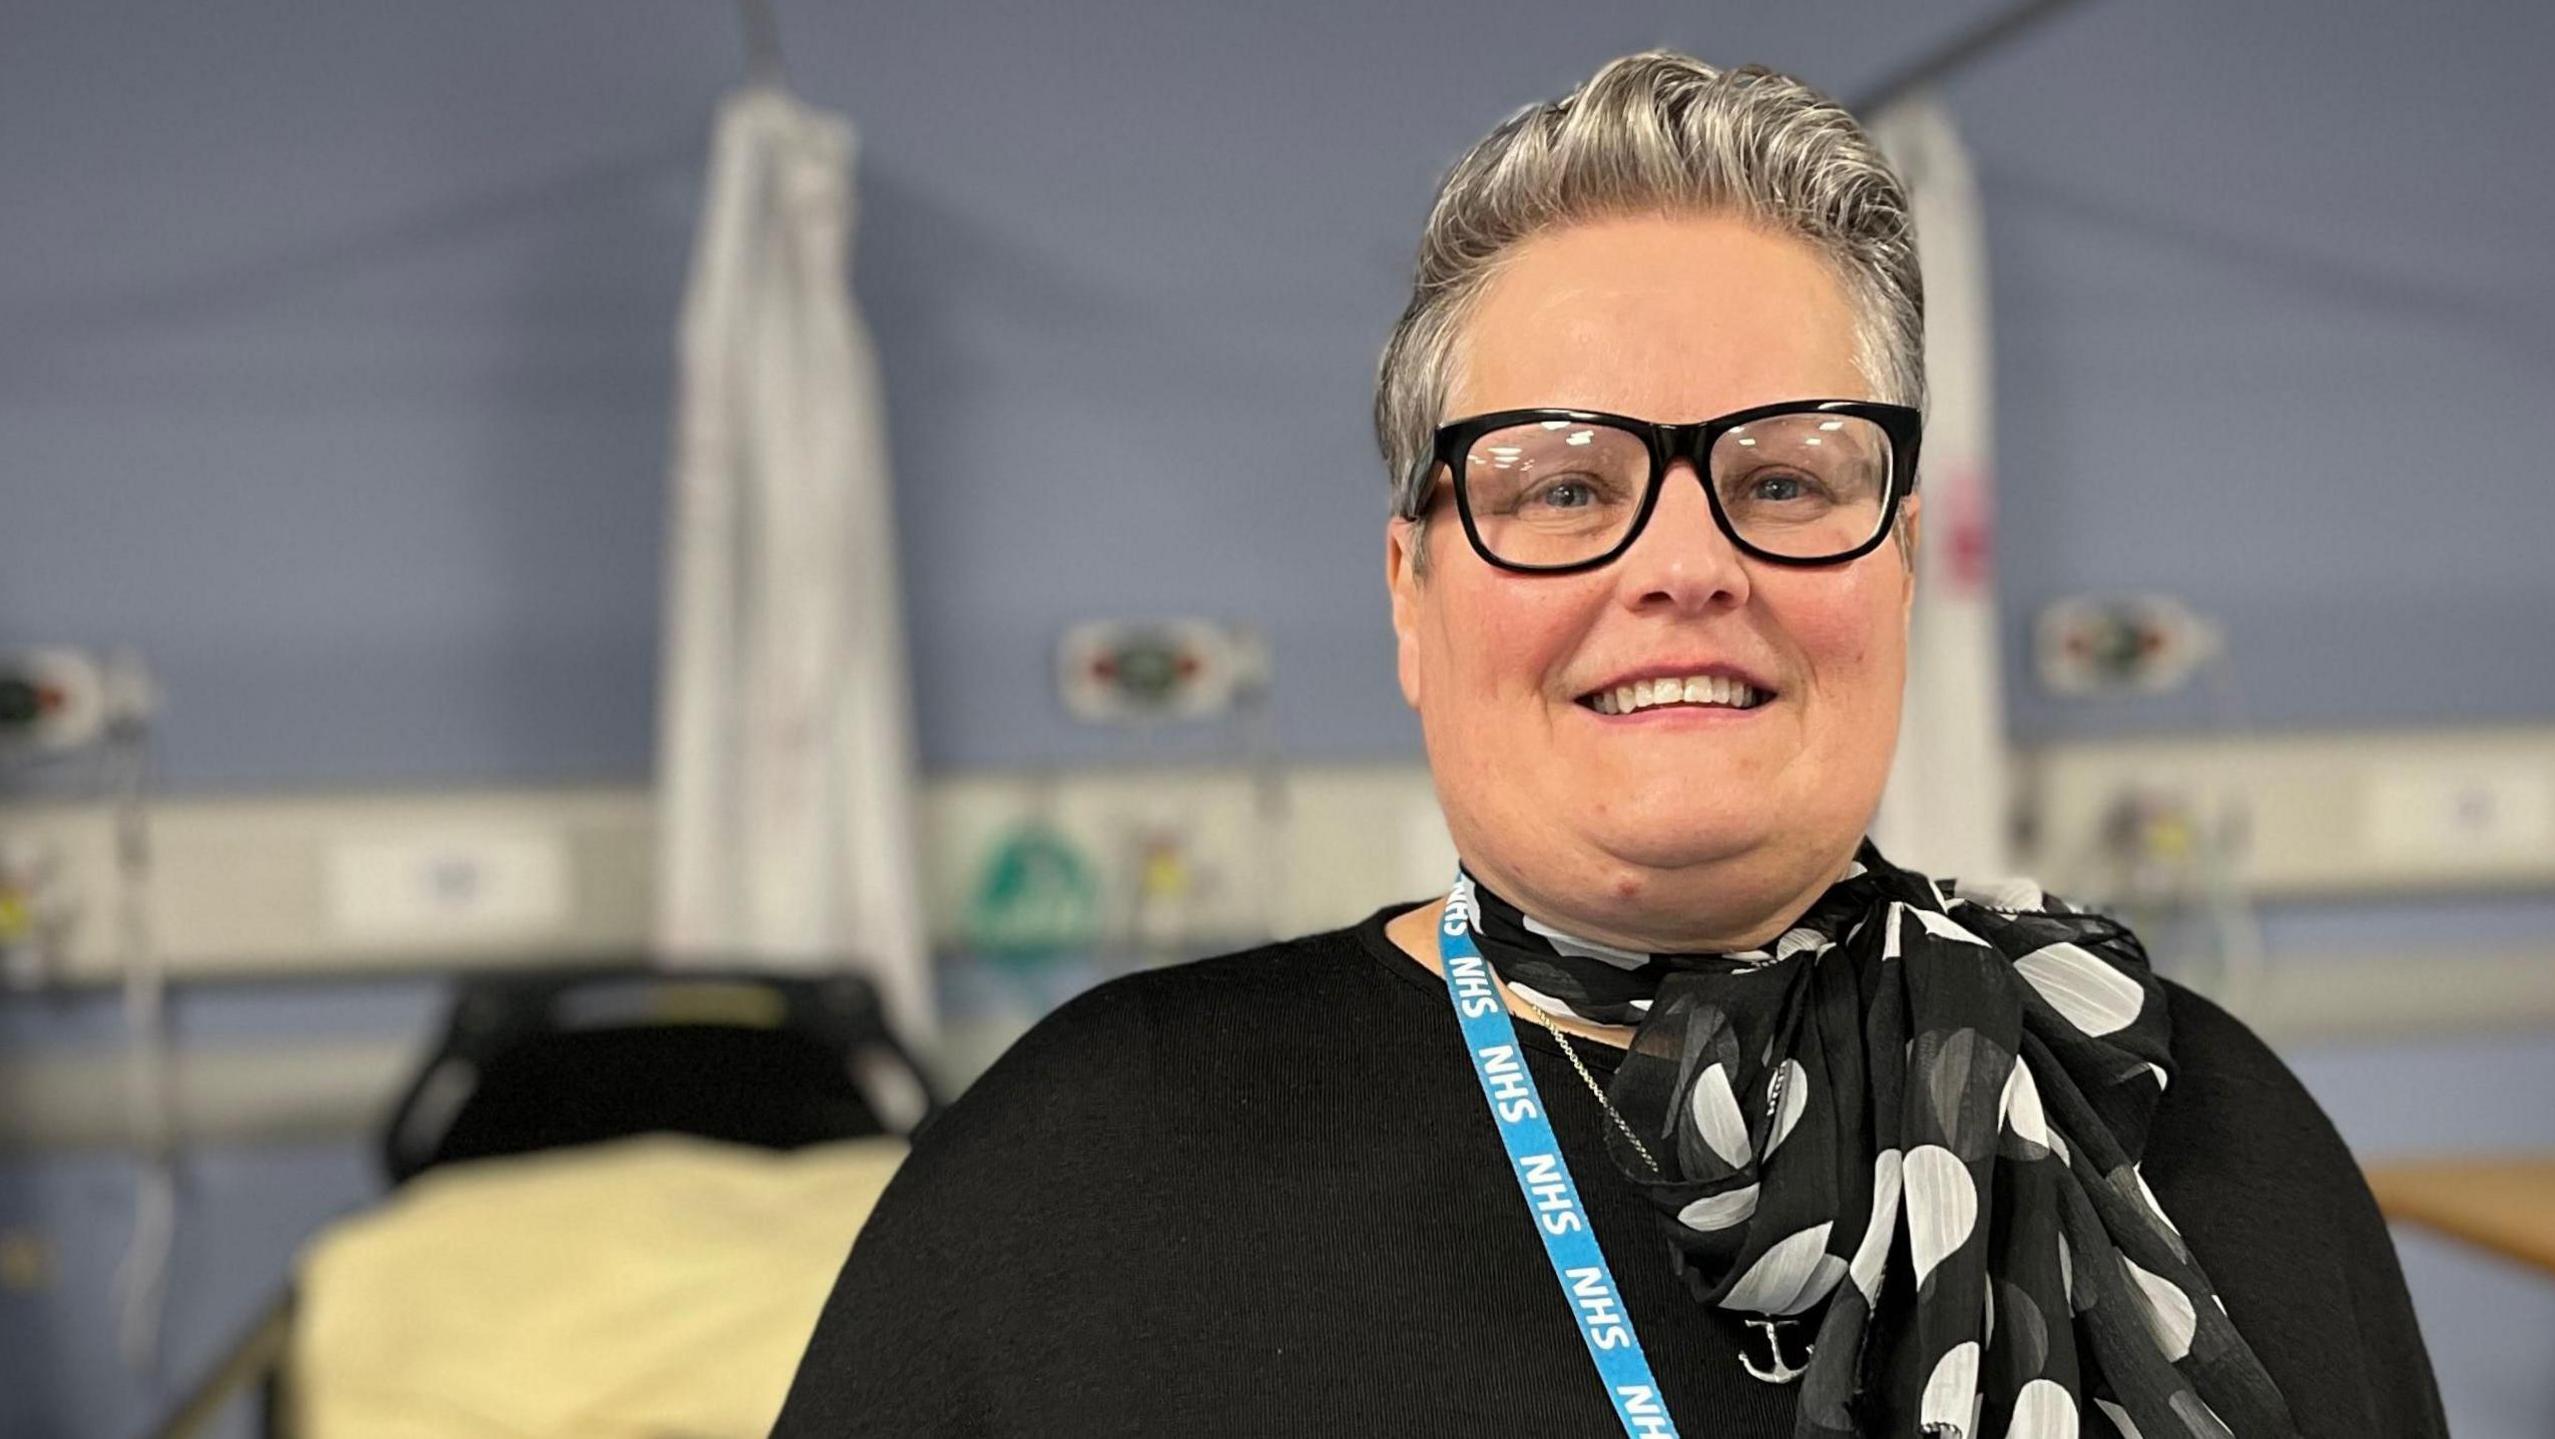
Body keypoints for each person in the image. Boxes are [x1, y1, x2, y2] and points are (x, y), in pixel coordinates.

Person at [773, 52, 2445, 1437]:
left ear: (1902, 565)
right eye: (1564, 486)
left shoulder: (2189, 1119)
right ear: (1415, 595)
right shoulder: (1087, 1174)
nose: (1686, 563)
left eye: (1785, 478)